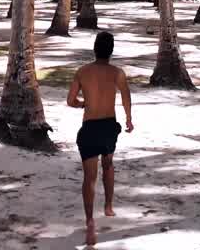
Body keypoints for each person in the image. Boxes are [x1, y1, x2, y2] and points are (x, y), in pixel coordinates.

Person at [67, 31, 132, 246]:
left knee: (89, 177)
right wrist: (129, 120)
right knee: (109, 164)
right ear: (111, 51)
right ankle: (109, 205)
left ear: (95, 49)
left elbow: (70, 101)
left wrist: (83, 104)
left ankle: (90, 221)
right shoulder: (117, 73)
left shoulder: (82, 72)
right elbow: (125, 99)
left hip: (90, 127)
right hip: (108, 127)